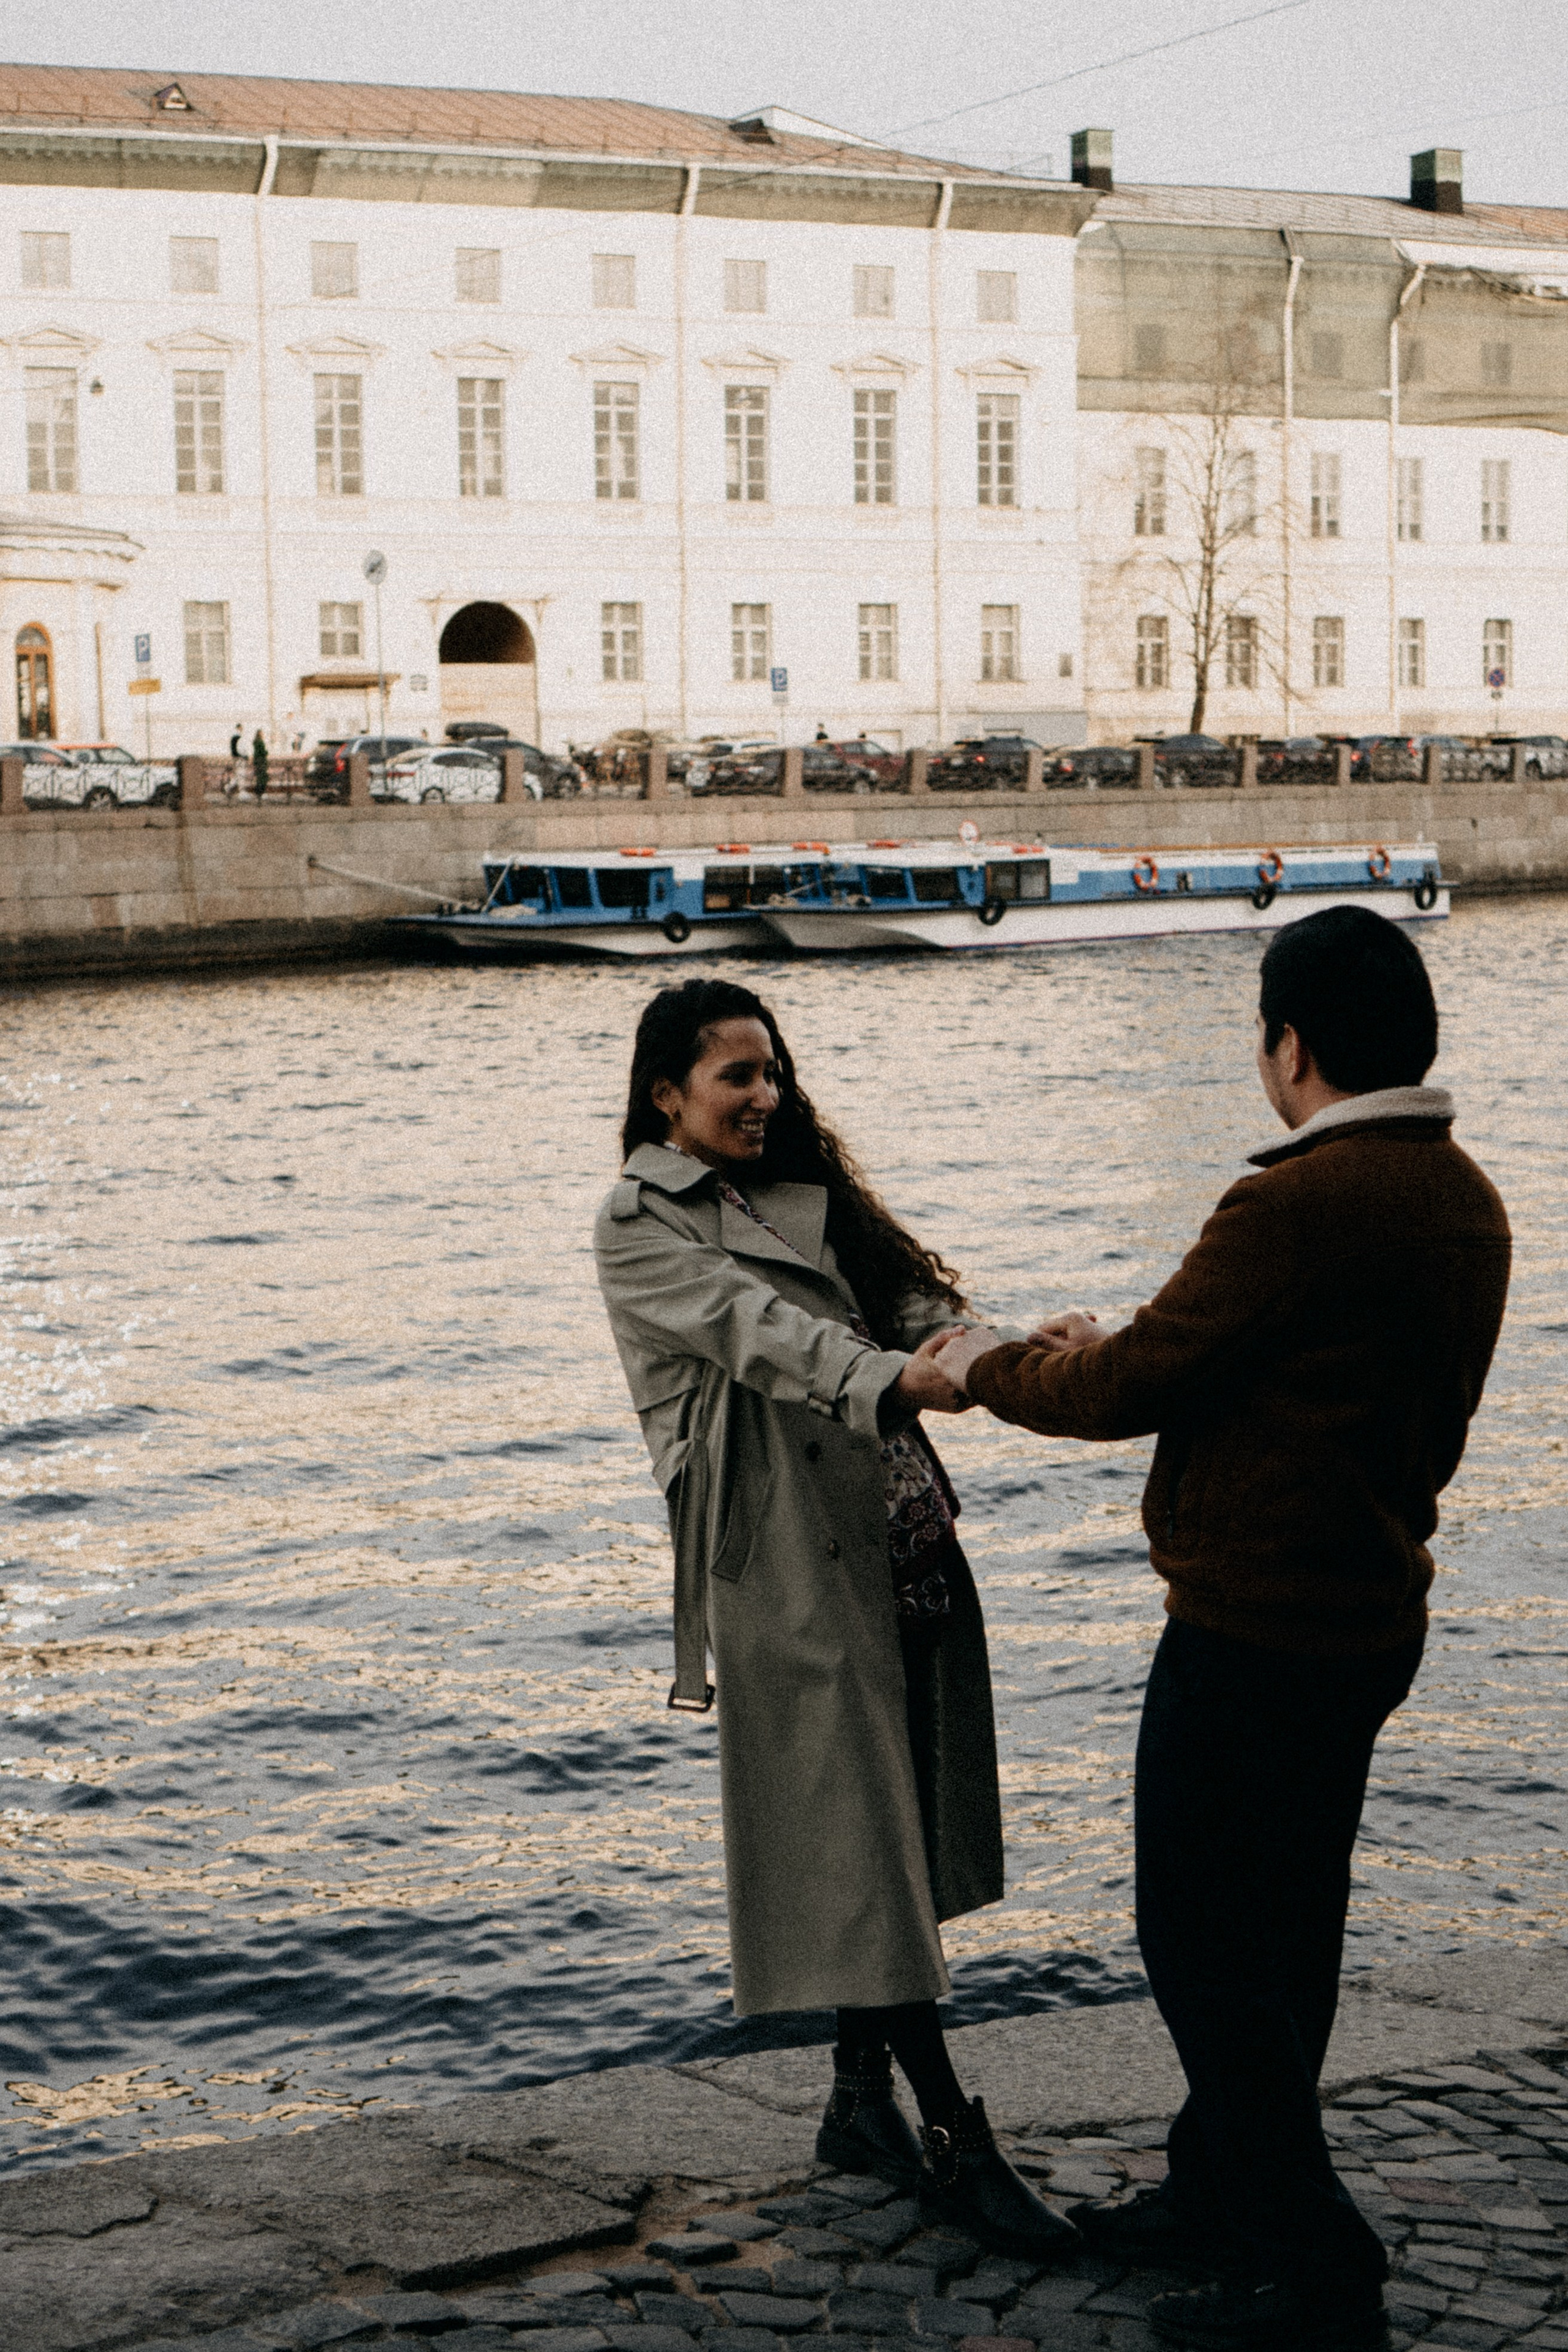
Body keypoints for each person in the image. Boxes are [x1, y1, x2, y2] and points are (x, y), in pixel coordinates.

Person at [933, 909, 1510, 2348]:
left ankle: (1299, 2222)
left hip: (1252, 1620)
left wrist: (985, 1362)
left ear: (1290, 1044)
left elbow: (1131, 1383)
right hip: (1368, 1606)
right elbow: (1288, 1368)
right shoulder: (1463, 1196)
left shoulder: (1295, 1200)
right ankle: (1216, 2177)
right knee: (1287, 1924)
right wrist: (1125, 1353)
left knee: (1196, 1931)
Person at [595, 978, 1077, 2263]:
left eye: (772, 1073)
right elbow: (763, 1339)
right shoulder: (637, 1227)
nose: (763, 1096)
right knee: (868, 1857)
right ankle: (955, 2142)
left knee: (896, 1833)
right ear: (665, 1095)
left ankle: (855, 2111)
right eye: (734, 1077)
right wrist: (897, 1378)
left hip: (900, 1530)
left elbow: (913, 1304)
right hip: (790, 1571)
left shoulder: (814, 1194)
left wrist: (1018, 1348)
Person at [251, 728, 269, 800]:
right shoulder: (260, 742)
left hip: (257, 761)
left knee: (259, 777)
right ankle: (261, 792)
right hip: (262, 762)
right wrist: (266, 752)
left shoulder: (255, 742)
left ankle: (258, 792)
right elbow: (263, 752)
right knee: (262, 777)